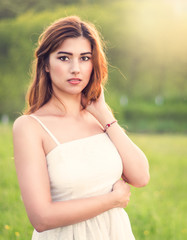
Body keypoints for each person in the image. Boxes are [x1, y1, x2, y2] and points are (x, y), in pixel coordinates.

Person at [13, 16, 150, 240]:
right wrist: (112, 201)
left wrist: (105, 115)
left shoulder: (99, 119)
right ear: (46, 64)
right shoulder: (30, 127)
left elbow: (141, 176)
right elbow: (41, 217)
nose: (76, 69)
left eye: (84, 58)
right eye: (64, 58)